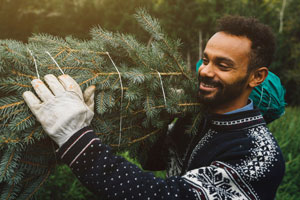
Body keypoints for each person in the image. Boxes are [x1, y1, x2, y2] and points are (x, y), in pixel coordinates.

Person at [22, 15, 285, 199]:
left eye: (223, 65)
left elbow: (164, 195)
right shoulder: (194, 119)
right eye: (205, 59)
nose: (205, 71)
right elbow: (152, 160)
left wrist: (74, 135)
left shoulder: (257, 157)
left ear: (256, 76)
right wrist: (97, 125)